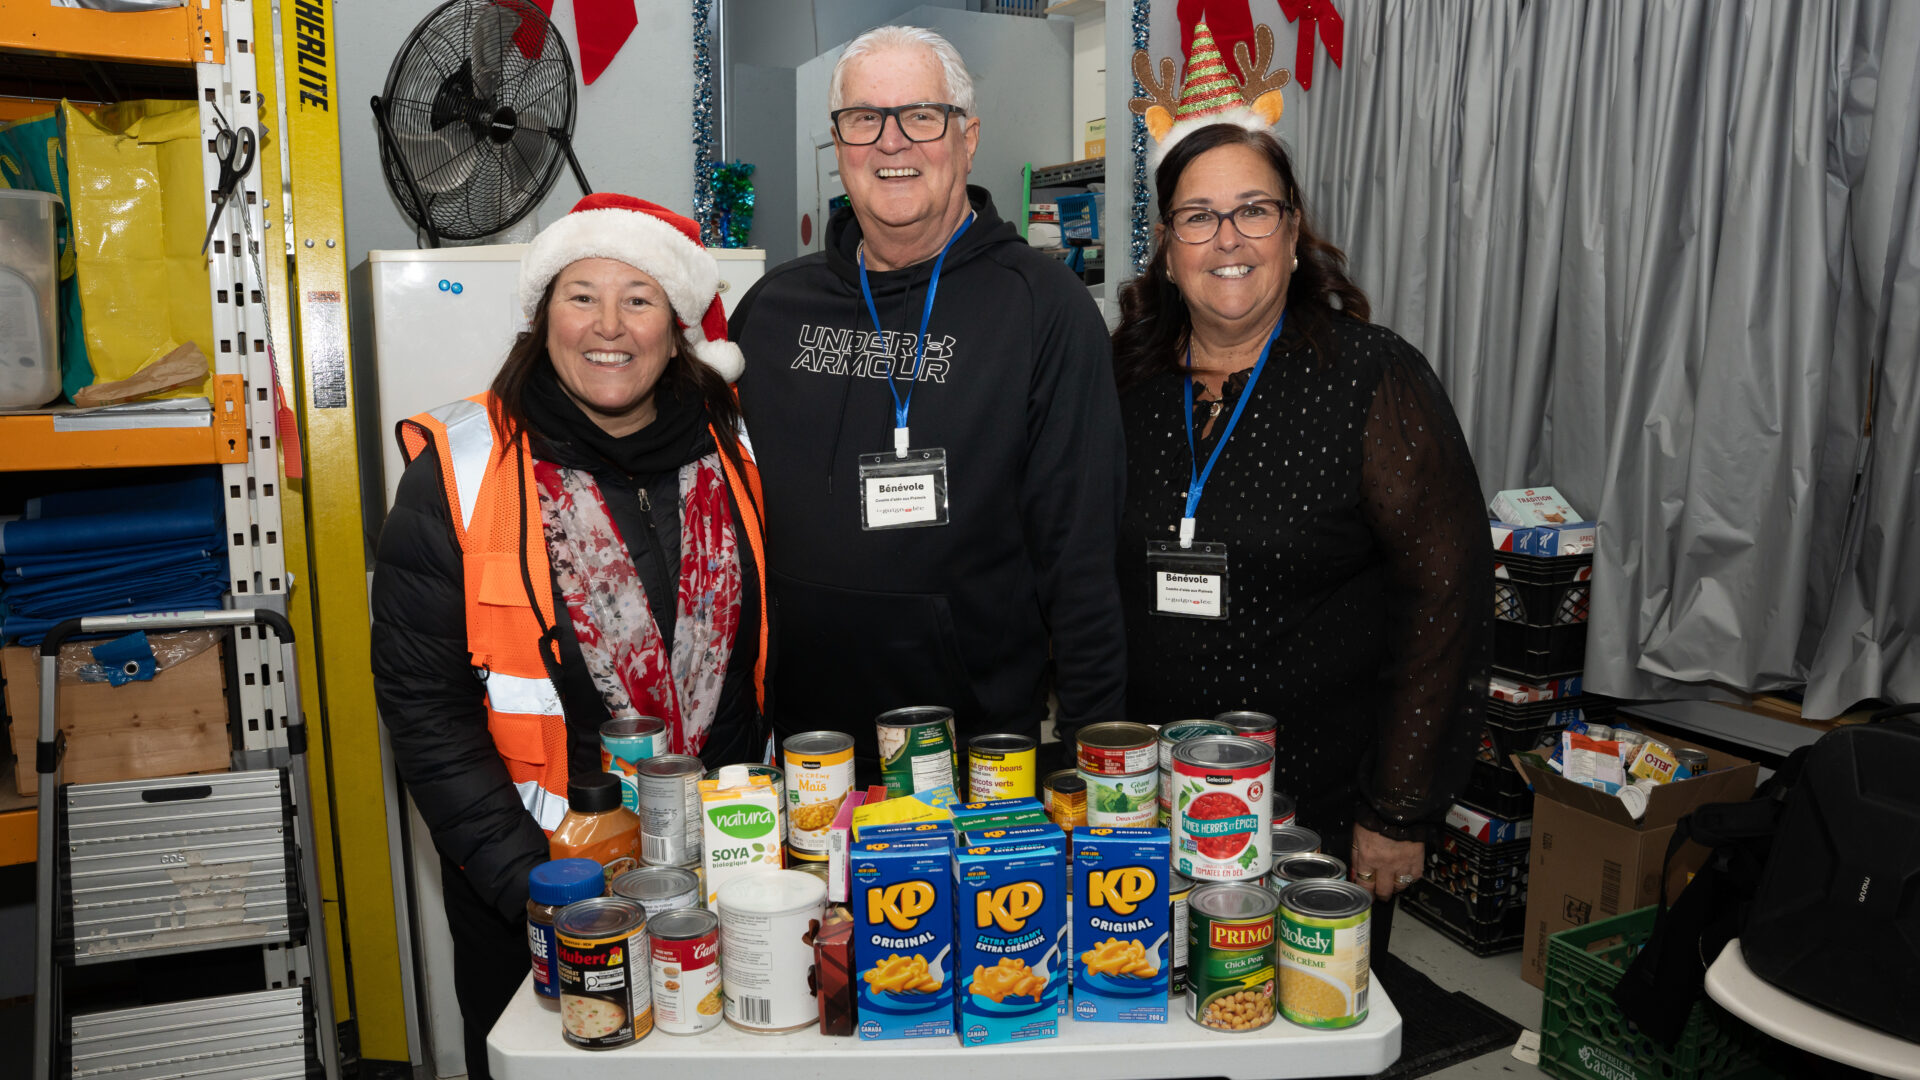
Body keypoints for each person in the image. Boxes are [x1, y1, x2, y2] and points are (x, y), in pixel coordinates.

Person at [370, 194, 768, 1076]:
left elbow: (756, 668)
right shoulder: (458, 471)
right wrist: (538, 890)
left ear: (676, 326)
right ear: (541, 318)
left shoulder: (735, 450)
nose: (609, 326)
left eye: (639, 297)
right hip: (532, 885)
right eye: (580, 294)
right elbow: (423, 708)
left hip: (717, 865)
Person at [1114, 25, 1491, 950]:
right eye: (1198, 216)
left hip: (1318, 801)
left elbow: (1445, 595)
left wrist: (1398, 809)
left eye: (1254, 209)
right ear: (1167, 247)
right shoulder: (1120, 379)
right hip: (1145, 800)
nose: (1227, 238)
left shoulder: (1372, 376)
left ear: (1292, 229)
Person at [729, 25, 1126, 779]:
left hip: (979, 751)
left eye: (920, 116)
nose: (890, 142)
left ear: (967, 138)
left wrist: (1090, 770)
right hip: (798, 747)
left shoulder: (1044, 308)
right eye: (863, 120)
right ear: (839, 142)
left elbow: (1081, 563)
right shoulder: (772, 311)